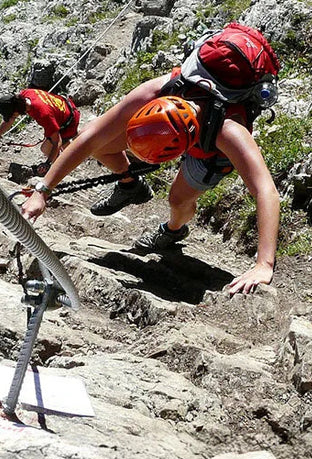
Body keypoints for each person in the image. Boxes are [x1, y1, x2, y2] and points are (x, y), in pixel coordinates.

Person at [19, 75, 279, 295]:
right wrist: (43, 191)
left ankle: (174, 230)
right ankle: (129, 184)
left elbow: (265, 190)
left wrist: (263, 264)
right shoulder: (156, 90)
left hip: (210, 151)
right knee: (96, 137)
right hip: (179, 122)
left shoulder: (229, 132)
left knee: (178, 200)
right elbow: (88, 140)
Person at [0, 88, 80, 170]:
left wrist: (48, 163)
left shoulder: (42, 114)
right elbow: (9, 120)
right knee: (55, 146)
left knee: (46, 149)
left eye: (11, 114)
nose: (11, 118)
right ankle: (74, 152)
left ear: (16, 111)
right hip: (65, 107)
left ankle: (63, 168)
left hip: (69, 122)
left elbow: (57, 142)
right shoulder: (25, 94)